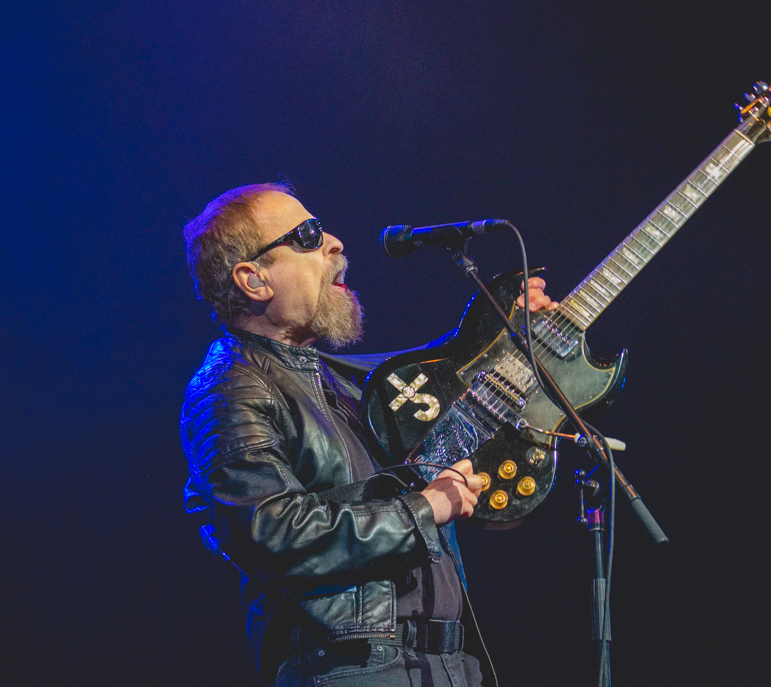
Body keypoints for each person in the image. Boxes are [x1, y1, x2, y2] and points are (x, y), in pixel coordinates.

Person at [180, 182, 558, 686]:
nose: (334, 242)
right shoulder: (229, 387)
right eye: (308, 235)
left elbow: (438, 445)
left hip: (443, 664)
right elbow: (271, 531)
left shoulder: (341, 380)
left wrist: (507, 340)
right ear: (254, 280)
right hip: (355, 667)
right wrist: (426, 509)